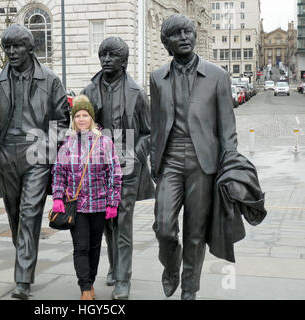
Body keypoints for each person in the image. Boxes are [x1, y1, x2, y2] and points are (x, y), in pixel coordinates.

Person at [149, 14, 238, 300]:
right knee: (163, 226)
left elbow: (227, 130)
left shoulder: (217, 76)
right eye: (177, 34)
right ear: (167, 43)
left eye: (188, 32)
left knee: (195, 232)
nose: (185, 37)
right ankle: (171, 265)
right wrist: (154, 161)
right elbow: (156, 125)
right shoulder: (157, 78)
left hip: (204, 163)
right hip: (170, 160)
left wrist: (230, 167)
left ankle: (190, 289)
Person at [0, 24, 70, 300]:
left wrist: (47, 147)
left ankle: (22, 279)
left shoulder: (50, 80)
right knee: (15, 216)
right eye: (7, 47)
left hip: (38, 154)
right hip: (7, 155)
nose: (11, 52)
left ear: (30, 48)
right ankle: (24, 255)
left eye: (17, 46)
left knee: (30, 214)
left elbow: (61, 121)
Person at [81, 36, 153, 300]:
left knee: (122, 222)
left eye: (112, 56)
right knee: (108, 221)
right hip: (98, 169)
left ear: (124, 61)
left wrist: (134, 155)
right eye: (103, 55)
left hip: (127, 168)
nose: (106, 60)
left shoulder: (136, 93)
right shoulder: (89, 91)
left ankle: (123, 279)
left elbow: (147, 133)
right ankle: (114, 264)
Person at [51, 95, 122, 300]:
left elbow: (114, 173)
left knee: (94, 247)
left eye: (85, 115)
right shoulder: (67, 144)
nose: (81, 119)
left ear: (91, 117)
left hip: (99, 205)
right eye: (78, 115)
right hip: (78, 206)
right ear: (73, 119)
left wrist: (112, 202)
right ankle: (84, 288)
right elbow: (59, 173)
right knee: (80, 247)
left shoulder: (104, 142)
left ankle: (90, 281)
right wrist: (57, 198)